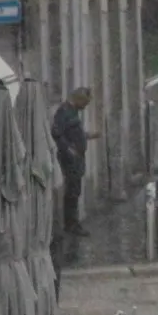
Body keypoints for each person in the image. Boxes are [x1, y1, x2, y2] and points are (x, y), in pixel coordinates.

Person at [51, 87, 98, 237]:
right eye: (85, 102)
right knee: (72, 190)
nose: (85, 106)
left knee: (75, 190)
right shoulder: (64, 111)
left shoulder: (73, 112)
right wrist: (68, 149)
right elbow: (57, 133)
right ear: (78, 99)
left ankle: (73, 223)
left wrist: (88, 136)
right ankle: (71, 224)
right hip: (69, 158)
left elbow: (74, 132)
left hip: (77, 157)